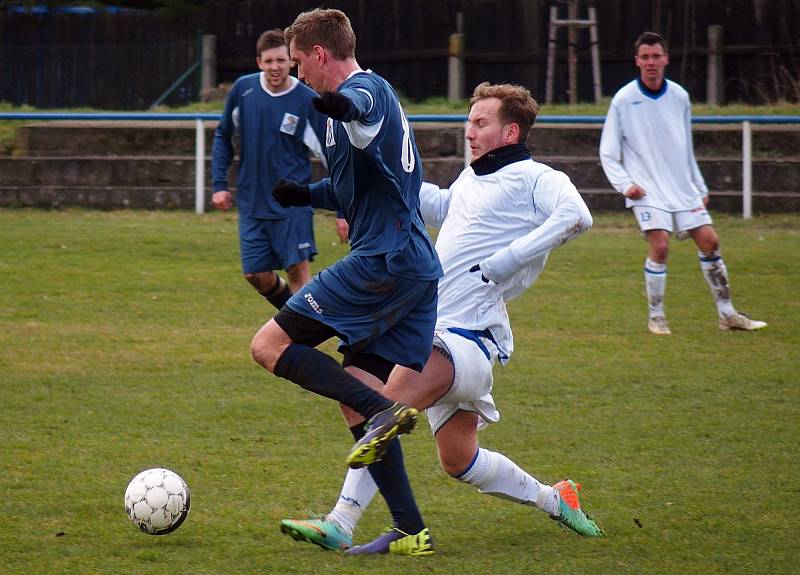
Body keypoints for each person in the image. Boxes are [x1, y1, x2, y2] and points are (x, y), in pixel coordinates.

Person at [279, 82, 603, 557]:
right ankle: (555, 499)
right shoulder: (474, 179)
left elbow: (578, 216)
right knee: (459, 461)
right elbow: (437, 204)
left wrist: (506, 261)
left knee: (380, 407)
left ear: (511, 130)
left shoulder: (538, 178)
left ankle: (342, 522)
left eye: (480, 122)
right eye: (469, 121)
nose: (468, 131)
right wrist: (372, 183)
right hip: (440, 334)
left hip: (466, 340)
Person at [249, 7, 442, 553]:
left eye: (299, 63)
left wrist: (339, 103)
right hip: (412, 268)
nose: (297, 74)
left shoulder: (366, 92)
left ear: (319, 54)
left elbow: (358, 106)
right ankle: (411, 530)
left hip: (384, 262)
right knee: (354, 394)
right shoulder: (344, 116)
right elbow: (352, 190)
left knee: (268, 346)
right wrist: (302, 195)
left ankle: (386, 411)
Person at [599, 31, 767, 335]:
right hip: (646, 188)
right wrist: (625, 185)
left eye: (656, 56)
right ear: (637, 61)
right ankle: (657, 316)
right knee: (660, 246)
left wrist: (699, 187)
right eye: (645, 57)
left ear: (666, 58)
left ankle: (728, 315)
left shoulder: (679, 96)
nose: (651, 62)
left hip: (682, 188)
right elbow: (608, 152)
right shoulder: (624, 99)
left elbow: (685, 147)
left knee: (710, 241)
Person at [211, 28, 332, 310]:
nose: (275, 67)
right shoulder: (244, 90)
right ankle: (297, 320)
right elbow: (223, 136)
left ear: (291, 61)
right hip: (252, 202)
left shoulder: (306, 100)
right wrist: (218, 184)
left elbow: (331, 155)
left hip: (292, 206)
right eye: (269, 61)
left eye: (281, 60)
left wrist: (342, 209)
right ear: (259, 63)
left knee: (297, 272)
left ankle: (297, 337)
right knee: (254, 274)